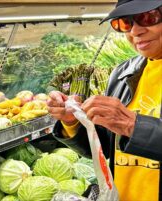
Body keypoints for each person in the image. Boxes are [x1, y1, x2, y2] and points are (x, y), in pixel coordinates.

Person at [47, 0, 162, 200]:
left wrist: (133, 126)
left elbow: (131, 129)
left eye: (147, 17)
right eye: (125, 23)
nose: (135, 31)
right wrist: (73, 121)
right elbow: (105, 147)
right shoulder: (122, 74)